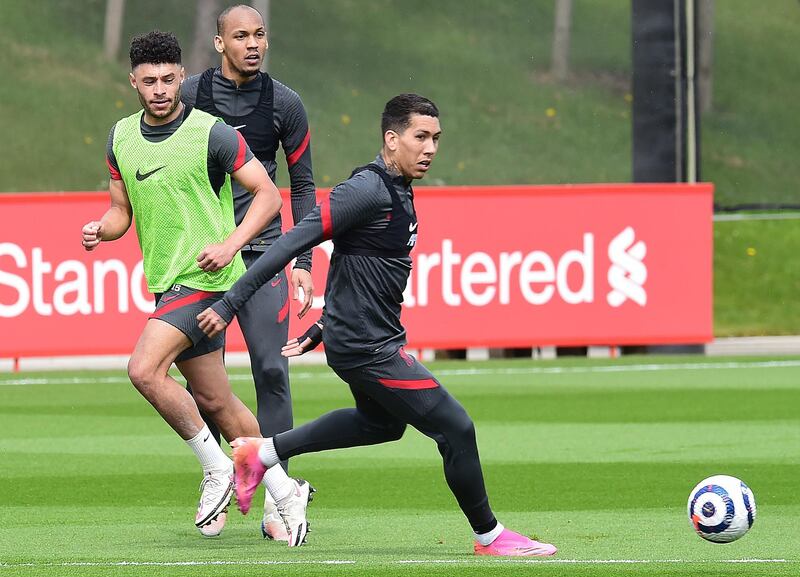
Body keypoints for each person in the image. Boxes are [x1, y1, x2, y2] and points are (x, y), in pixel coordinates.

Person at [197, 94, 558, 556]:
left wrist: (325, 325)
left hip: (362, 336)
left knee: (381, 425)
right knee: (456, 429)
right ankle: (490, 537)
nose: (429, 148)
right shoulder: (365, 190)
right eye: (420, 137)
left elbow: (357, 265)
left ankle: (260, 454)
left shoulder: (398, 187)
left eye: (436, 139)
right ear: (392, 139)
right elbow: (290, 242)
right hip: (368, 347)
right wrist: (230, 304)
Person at [82, 30, 313, 546]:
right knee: (215, 399)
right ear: (134, 83)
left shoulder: (213, 132)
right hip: (168, 283)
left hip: (208, 280)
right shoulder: (120, 137)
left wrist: (231, 244)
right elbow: (122, 212)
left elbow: (269, 196)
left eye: (168, 79)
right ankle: (283, 489)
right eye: (149, 81)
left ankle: (216, 468)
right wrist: (102, 228)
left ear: (182, 77)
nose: (160, 89)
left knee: (143, 369)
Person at [180, 4, 317, 542]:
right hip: (206, 259)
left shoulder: (285, 103)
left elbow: (303, 186)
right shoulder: (188, 96)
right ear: (219, 43)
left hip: (264, 256)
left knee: (271, 370)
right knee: (206, 387)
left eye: (260, 34)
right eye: (241, 36)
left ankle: (280, 503)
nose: (253, 44)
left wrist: (303, 262)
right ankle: (221, 473)